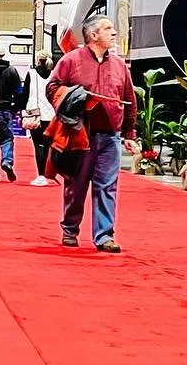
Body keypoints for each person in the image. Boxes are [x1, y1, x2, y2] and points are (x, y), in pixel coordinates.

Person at [47, 17, 138, 254]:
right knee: (76, 185)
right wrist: (72, 99)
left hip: (110, 137)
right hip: (80, 134)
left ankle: (104, 236)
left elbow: (130, 100)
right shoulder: (70, 61)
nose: (114, 32)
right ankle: (70, 228)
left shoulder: (120, 66)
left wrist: (129, 133)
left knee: (107, 186)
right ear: (93, 35)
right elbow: (52, 88)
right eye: (108, 29)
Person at [0, 42, 23, 182]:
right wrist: (15, 108)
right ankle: (7, 161)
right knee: (6, 138)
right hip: (5, 109)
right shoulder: (11, 70)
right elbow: (19, 91)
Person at [23, 52, 56, 187]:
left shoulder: (31, 74)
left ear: (38, 60)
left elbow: (25, 94)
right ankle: (50, 172)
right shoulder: (55, 74)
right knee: (49, 145)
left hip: (35, 113)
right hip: (52, 114)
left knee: (38, 145)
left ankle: (41, 175)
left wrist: (21, 110)